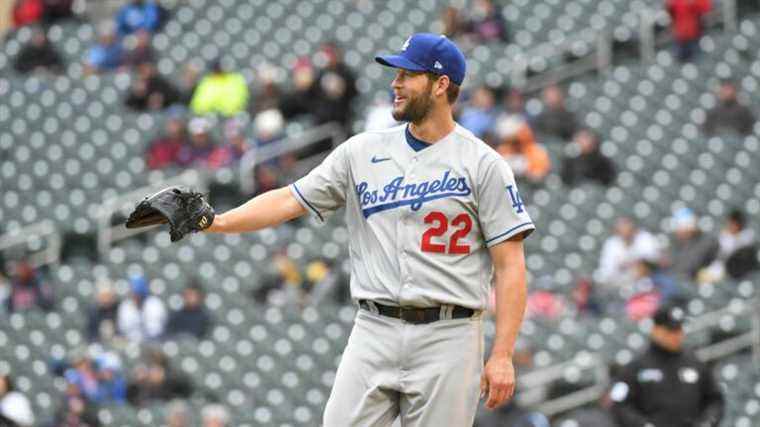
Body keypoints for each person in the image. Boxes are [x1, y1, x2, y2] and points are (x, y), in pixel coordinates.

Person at [204, 33, 534, 426]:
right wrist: (217, 221)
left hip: (451, 335)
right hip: (374, 327)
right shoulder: (360, 152)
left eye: (407, 74)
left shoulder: (484, 164)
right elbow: (290, 199)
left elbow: (511, 265)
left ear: (441, 84)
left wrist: (502, 354)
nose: (395, 83)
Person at [610, 304, 724, 427]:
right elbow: (620, 405)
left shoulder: (695, 363)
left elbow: (714, 399)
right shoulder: (636, 366)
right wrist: (642, 424)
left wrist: (707, 422)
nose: (676, 335)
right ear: (655, 330)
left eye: (679, 329)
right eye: (671, 330)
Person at [595, 217, 661, 287]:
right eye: (621, 230)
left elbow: (655, 258)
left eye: (628, 229)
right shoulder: (611, 243)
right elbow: (607, 268)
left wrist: (637, 262)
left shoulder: (644, 237)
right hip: (619, 281)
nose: (626, 233)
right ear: (617, 231)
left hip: (647, 278)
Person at [666, 208, 719, 282]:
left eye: (682, 228)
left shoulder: (706, 242)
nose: (679, 231)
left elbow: (690, 266)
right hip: (676, 280)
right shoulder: (674, 242)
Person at [116, 274, 167, 342]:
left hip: (153, 342)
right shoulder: (125, 305)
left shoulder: (155, 304)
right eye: (134, 293)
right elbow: (123, 328)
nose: (136, 296)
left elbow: (157, 330)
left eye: (138, 293)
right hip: (130, 342)